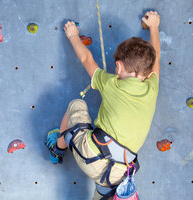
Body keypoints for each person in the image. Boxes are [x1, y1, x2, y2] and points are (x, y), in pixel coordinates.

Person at [46, 11, 160, 200]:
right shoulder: (152, 87)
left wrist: (73, 35)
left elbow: (86, 60)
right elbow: (156, 63)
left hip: (91, 156)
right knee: (104, 191)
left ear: (118, 67)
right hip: (116, 175)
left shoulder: (111, 83)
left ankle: (57, 149)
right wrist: (154, 27)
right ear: (148, 74)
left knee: (76, 105)